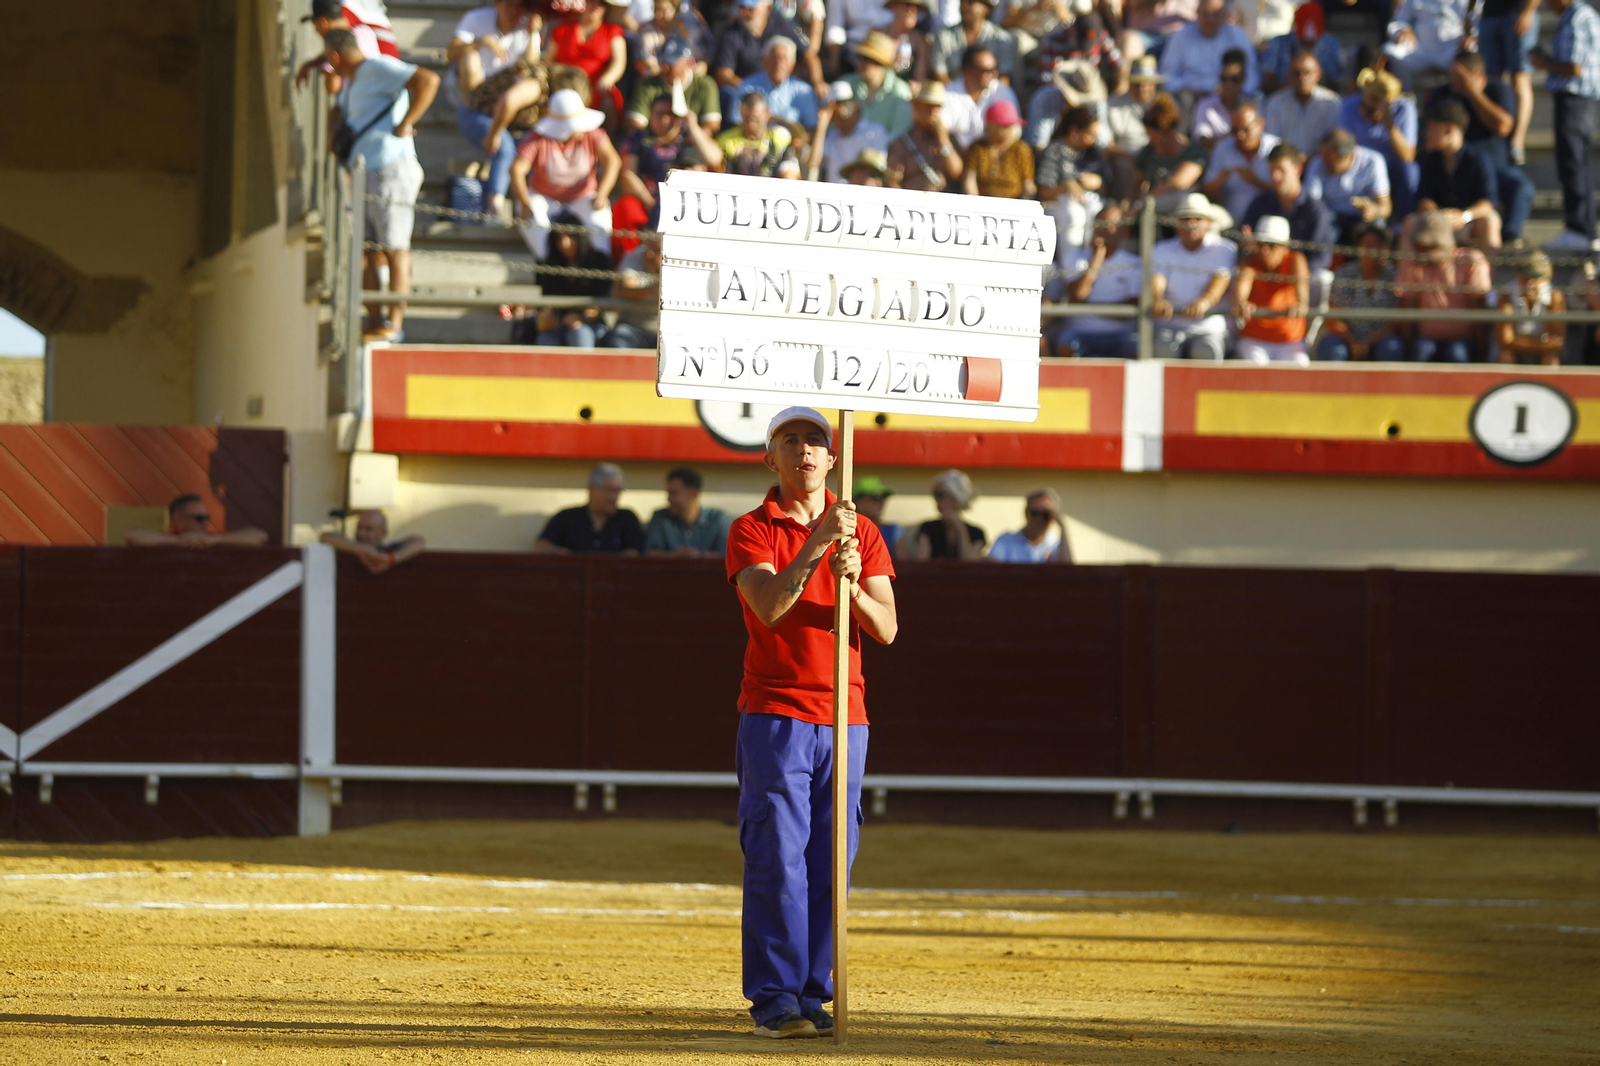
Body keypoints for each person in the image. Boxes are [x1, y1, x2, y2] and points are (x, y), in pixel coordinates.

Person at [726, 407, 897, 1039]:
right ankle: (775, 998)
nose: (805, 451)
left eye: (815, 441)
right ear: (769, 458)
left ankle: (813, 991)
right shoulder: (751, 529)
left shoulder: (865, 534)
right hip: (776, 713)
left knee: (833, 857)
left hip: (846, 717)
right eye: (790, 441)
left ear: (833, 458)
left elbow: (886, 627)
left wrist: (849, 585)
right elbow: (770, 607)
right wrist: (819, 545)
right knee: (776, 852)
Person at [325, 30, 439, 344]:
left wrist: (406, 124)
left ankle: (395, 324)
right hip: (364, 173)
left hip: (391, 169)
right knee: (367, 253)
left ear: (335, 56)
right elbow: (340, 119)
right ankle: (375, 320)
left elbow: (428, 80)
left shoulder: (378, 67)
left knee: (395, 249)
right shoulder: (351, 85)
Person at [448, 0, 544, 219]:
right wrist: (481, 42)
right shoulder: (476, 18)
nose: (515, 12)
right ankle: (495, 207)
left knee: (517, 145)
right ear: (498, 4)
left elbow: (531, 69)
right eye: (511, 5)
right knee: (503, 145)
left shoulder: (527, 28)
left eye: (521, 6)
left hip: (504, 105)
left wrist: (533, 35)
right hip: (472, 101)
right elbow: (450, 52)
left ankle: (509, 204)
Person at [1427, 50, 1532, 247]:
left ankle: (1511, 238)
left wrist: (1473, 92)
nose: (1454, 80)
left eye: (1460, 75)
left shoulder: (1498, 90)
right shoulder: (1443, 93)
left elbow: (1503, 126)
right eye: (1451, 74)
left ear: (1478, 74)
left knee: (1521, 187)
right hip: (1458, 170)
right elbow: (1432, 131)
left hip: (1497, 168)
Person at [510, 88, 620, 260]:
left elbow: (613, 161)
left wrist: (602, 194)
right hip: (544, 196)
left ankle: (599, 266)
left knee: (599, 224)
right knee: (533, 221)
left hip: (583, 196)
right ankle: (549, 263)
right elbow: (517, 169)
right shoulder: (538, 138)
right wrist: (525, 203)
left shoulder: (592, 133)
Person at [1530, 0, 1600, 254]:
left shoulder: (1577, 16)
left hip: (1574, 100)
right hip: (1578, 100)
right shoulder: (1576, 16)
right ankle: (1582, 228)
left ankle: (1580, 229)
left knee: (1573, 163)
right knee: (1574, 162)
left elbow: (1574, 67)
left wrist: (1543, 64)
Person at [1150, 193, 1237, 360]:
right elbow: (1156, 282)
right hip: (1170, 326)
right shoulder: (1162, 249)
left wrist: (1205, 302)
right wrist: (1157, 299)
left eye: (1198, 218)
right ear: (1177, 224)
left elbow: (1220, 280)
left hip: (1210, 327)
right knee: (1163, 351)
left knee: (1206, 351)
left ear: (1210, 223)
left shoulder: (1224, 249)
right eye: (1186, 218)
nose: (1192, 223)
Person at [1396, 210, 1490, 362]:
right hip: (1425, 339)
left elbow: (1479, 306)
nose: (1421, 251)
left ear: (1442, 244)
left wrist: (1481, 352)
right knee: (1421, 350)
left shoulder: (1471, 261)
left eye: (1427, 246)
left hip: (1462, 340)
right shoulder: (1412, 264)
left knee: (1457, 353)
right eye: (1419, 246)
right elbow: (1407, 308)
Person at [617, 94, 726, 225]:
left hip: (683, 204)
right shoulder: (639, 138)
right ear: (651, 115)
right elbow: (628, 174)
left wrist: (693, 126)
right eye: (659, 114)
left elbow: (715, 160)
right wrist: (651, 203)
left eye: (670, 114)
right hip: (647, 201)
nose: (665, 119)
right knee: (627, 207)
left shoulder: (690, 139)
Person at [1410, 98, 1502, 251]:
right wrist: (1437, 215)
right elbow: (1424, 198)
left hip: (1469, 222)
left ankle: (1489, 275)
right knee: (1410, 223)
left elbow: (1488, 202)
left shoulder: (1478, 159)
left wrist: (1464, 216)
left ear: (1449, 130)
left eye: (1432, 128)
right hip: (1437, 222)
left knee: (1489, 222)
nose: (1427, 134)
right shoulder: (1429, 160)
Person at [1056, 203, 1142, 358]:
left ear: (1124, 231)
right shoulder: (1076, 258)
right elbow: (1078, 296)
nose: (1108, 229)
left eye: (1114, 225)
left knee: (1139, 349)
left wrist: (1089, 308)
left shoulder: (1134, 263)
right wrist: (1097, 259)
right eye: (1103, 224)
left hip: (1120, 335)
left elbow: (1130, 310)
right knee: (1066, 345)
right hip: (1081, 333)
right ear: (1094, 227)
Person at [1317, 221, 1406, 360]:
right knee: (1330, 347)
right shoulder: (1345, 273)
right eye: (1370, 244)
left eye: (1380, 245)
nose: (1375, 250)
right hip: (1347, 338)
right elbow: (1334, 318)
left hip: (1380, 339)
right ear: (1359, 247)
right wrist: (1353, 342)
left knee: (1391, 347)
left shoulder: (1394, 276)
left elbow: (1396, 322)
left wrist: (1368, 342)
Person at [1241, 142, 1334, 273]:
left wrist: (1294, 271)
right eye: (1272, 170)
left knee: (1322, 277)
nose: (1275, 176)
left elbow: (1321, 258)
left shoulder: (1315, 210)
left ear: (1298, 169)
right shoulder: (1260, 203)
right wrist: (1249, 246)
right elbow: (1244, 238)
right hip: (1262, 272)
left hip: (1300, 279)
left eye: (1281, 170)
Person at [1339, 67, 1419, 218]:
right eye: (1374, 98)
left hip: (1393, 166)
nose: (1377, 103)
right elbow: (1345, 145)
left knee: (1410, 171)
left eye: (1383, 99)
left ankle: (1407, 220)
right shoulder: (1349, 106)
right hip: (1362, 166)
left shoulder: (1404, 108)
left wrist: (1389, 124)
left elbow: (1408, 156)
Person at [1039, 104, 1110, 271]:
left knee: (1095, 208)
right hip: (1058, 207)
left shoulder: (1094, 153)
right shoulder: (1055, 150)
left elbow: (1106, 190)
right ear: (1074, 131)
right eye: (1089, 134)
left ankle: (1091, 264)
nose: (1093, 140)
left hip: (1088, 204)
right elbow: (1043, 192)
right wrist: (1065, 187)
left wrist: (1097, 182)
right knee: (1074, 214)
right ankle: (1072, 271)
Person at [1234, 215, 1310, 364]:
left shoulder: (1295, 260)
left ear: (1285, 247)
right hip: (1255, 340)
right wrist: (1241, 302)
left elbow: (1302, 289)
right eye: (1261, 244)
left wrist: (1301, 304)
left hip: (1290, 341)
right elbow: (1241, 289)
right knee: (1254, 364)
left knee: (1299, 364)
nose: (1265, 250)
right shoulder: (1250, 262)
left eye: (1271, 245)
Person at [713, 0, 804, 116]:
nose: (745, 12)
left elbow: (807, 55)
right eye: (741, 8)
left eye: (751, 9)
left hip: (783, 90)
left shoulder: (781, 24)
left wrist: (817, 81)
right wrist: (752, 89)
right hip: (746, 96)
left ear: (768, 9)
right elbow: (723, 75)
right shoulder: (730, 33)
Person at [1158, 0, 1259, 105]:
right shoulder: (1181, 36)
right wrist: (1186, 88)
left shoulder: (1238, 37)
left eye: (1216, 15)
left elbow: (1252, 76)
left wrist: (1231, 89)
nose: (1210, 20)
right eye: (1205, 14)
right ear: (1196, 13)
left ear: (1224, 15)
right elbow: (1166, 75)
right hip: (1188, 100)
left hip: (1228, 101)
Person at [533, 462, 646, 552]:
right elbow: (540, 547)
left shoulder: (627, 518)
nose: (613, 497)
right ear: (592, 488)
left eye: (617, 491)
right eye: (609, 490)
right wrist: (565, 556)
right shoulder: (568, 517)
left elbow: (635, 553)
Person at [1305, 128, 1391, 242]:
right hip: (1330, 215)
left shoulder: (1373, 162)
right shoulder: (1317, 163)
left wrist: (1373, 210)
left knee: (1377, 225)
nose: (1324, 166)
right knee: (1318, 224)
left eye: (1331, 164)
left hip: (1361, 217)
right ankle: (1322, 259)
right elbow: (1312, 204)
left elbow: (1386, 207)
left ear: (1349, 156)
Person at [1201, 102, 1280, 224]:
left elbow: (1285, 194)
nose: (1240, 135)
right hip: (1229, 221)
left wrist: (1256, 182)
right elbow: (1208, 189)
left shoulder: (1275, 148)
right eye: (1235, 130)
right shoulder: (1222, 148)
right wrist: (1219, 181)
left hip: (1267, 221)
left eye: (1245, 129)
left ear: (1260, 125)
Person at [627, 36, 725, 133]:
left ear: (689, 63)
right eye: (662, 62)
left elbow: (712, 125)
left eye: (671, 63)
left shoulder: (705, 85)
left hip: (692, 143)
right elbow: (635, 124)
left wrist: (691, 136)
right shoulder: (647, 85)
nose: (665, 67)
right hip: (654, 144)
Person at [547, 0, 629, 113]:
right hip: (565, 84)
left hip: (597, 86)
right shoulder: (562, 29)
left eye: (601, 4)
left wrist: (607, 80)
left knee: (609, 103)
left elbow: (619, 62)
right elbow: (548, 60)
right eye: (591, 1)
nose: (595, 7)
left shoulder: (612, 31)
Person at [1490, 252, 1568, 365]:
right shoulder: (1506, 295)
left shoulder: (1555, 296)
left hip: (1539, 351)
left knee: (1551, 359)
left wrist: (1520, 344)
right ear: (1517, 275)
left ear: (1546, 278)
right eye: (1525, 277)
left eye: (1535, 277)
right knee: (1506, 356)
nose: (1530, 283)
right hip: (1516, 351)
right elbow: (1504, 341)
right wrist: (1542, 345)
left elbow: (1557, 341)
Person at [738, 36, 820, 141]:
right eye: (775, 57)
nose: (779, 63)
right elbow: (737, 122)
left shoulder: (804, 91)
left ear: (792, 65)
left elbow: (810, 128)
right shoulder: (747, 87)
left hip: (792, 146)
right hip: (753, 142)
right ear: (765, 60)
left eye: (784, 58)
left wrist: (800, 141)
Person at [940, 46, 1022, 151]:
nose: (995, 74)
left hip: (994, 157)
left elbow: (1015, 132)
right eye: (988, 70)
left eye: (995, 68)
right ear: (968, 72)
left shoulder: (1003, 91)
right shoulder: (947, 94)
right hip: (957, 155)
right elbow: (941, 130)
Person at [1261, 49, 1340, 157]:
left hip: (1320, 165)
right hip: (1285, 164)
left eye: (1307, 72)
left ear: (1318, 74)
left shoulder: (1332, 103)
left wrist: (1311, 160)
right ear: (1289, 74)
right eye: (1296, 73)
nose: (1302, 78)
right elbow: (1270, 140)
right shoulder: (1276, 102)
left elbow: (1334, 141)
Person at [1134, 93, 1206, 210]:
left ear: (1167, 131)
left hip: (1183, 209)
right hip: (1152, 209)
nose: (1150, 138)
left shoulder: (1194, 151)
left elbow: (1180, 183)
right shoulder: (1148, 152)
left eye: (1153, 134)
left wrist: (1145, 201)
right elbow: (1136, 182)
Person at [887, 82, 963, 190]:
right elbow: (893, 182)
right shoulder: (901, 143)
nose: (933, 111)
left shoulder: (950, 139)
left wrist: (943, 139)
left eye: (937, 107)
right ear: (916, 107)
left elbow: (957, 173)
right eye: (928, 106)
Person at [1384, 0, 1470, 91]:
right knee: (1390, 50)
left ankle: (1460, 100)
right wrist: (1402, 31)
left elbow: (1475, 24)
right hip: (1420, 50)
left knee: (1470, 55)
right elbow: (1398, 21)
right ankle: (1405, 97)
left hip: (1451, 51)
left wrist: (1470, 38)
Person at [1260, 2, 1342, 96]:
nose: (1308, 41)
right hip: (1282, 98)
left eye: (1313, 39)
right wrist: (1294, 85)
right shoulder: (1277, 43)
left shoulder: (1331, 44)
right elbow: (1266, 82)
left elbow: (1336, 82)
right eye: (1304, 38)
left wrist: (1311, 84)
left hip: (1321, 100)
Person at [127, 495, 271, 548]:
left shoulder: (215, 538)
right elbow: (133, 535)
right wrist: (179, 542)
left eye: (206, 518)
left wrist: (215, 540)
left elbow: (259, 536)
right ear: (178, 520)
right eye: (199, 518)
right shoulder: (165, 539)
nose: (205, 523)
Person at [845, 31, 915, 139]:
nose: (859, 63)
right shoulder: (847, 84)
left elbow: (900, 134)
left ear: (880, 63)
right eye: (859, 57)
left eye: (866, 59)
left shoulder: (900, 92)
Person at [932, 0, 1020, 86]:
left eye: (971, 2)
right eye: (962, 2)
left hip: (990, 96)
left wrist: (988, 96)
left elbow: (1004, 77)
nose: (964, 6)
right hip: (952, 96)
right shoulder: (944, 36)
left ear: (986, 9)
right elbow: (939, 73)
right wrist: (958, 94)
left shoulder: (1001, 38)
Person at [646, 467, 732, 554]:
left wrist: (697, 556)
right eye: (668, 493)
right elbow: (651, 553)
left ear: (693, 494)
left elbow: (728, 556)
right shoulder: (660, 518)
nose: (669, 499)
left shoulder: (718, 519)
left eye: (674, 493)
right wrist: (677, 556)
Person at [818, 81, 891, 181]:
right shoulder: (832, 137)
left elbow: (879, 168)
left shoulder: (875, 132)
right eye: (834, 112)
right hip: (834, 194)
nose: (840, 114)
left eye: (844, 105)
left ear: (857, 107)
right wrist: (822, 125)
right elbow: (814, 163)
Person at [962, 99, 1035, 197]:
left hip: (1013, 205)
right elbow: (969, 179)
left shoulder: (1021, 149)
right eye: (1004, 126)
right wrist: (975, 204)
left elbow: (1028, 184)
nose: (1008, 130)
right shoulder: (978, 148)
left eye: (1010, 126)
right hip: (982, 203)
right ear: (991, 126)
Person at [910, 469, 986, 560]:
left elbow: (971, 563)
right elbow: (921, 561)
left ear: (957, 496)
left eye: (941, 494)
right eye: (935, 494)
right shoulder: (928, 528)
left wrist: (960, 528)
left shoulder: (976, 533)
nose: (937, 500)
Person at [320, 509, 427, 574]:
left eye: (368, 529)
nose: (361, 533)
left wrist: (390, 559)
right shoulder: (349, 547)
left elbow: (419, 542)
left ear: (383, 532)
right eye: (359, 528)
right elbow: (325, 537)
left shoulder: (388, 551)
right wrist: (361, 549)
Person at [718, 91, 797, 174]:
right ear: (741, 113)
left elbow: (791, 174)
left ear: (767, 113)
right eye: (747, 119)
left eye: (756, 119)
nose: (751, 124)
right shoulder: (725, 141)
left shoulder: (781, 137)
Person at [632, 0, 714, 80]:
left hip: (690, 79)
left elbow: (707, 49)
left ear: (676, 9)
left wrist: (703, 64)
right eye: (656, 9)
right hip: (659, 82)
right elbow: (644, 64)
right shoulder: (647, 30)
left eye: (663, 10)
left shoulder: (691, 24)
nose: (658, 14)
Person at [1190, 48, 1254, 149]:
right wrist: (1233, 136)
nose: (1229, 84)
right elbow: (1202, 141)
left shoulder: (1253, 106)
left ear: (1243, 79)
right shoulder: (1205, 105)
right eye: (1224, 79)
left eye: (1235, 79)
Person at [605, 238, 662, 348]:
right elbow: (626, 290)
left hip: (665, 333)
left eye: (657, 250)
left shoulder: (678, 263)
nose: (649, 254)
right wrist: (652, 290)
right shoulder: (634, 257)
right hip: (633, 328)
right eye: (648, 248)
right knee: (618, 338)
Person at [989, 489, 1072, 563]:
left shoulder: (1055, 545)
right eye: (1034, 513)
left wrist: (1063, 527)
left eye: (1046, 514)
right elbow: (992, 569)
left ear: (1053, 518)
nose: (1039, 519)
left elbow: (1067, 571)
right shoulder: (1006, 541)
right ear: (1026, 513)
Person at [881, 0, 936, 89]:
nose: (912, 10)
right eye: (907, 5)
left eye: (916, 7)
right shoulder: (878, 35)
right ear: (895, 7)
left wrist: (914, 87)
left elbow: (919, 81)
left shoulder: (921, 42)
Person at [852, 476, 904, 557]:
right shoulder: (847, 530)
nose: (881, 503)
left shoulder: (893, 530)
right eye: (876, 497)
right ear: (859, 502)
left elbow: (902, 565)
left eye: (884, 498)